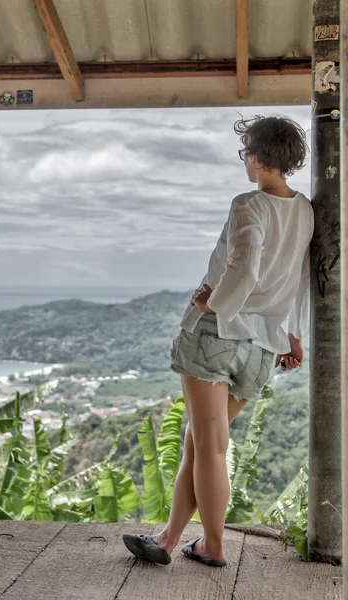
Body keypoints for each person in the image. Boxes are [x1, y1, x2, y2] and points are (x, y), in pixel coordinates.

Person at [122, 115, 314, 568]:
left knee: (208, 446)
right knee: (199, 442)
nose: (245, 159)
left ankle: (213, 546)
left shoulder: (249, 204)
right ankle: (169, 539)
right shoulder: (305, 209)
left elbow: (243, 269)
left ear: (260, 156)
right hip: (265, 346)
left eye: (247, 150)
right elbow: (303, 278)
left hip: (218, 337)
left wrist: (215, 305)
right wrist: (295, 334)